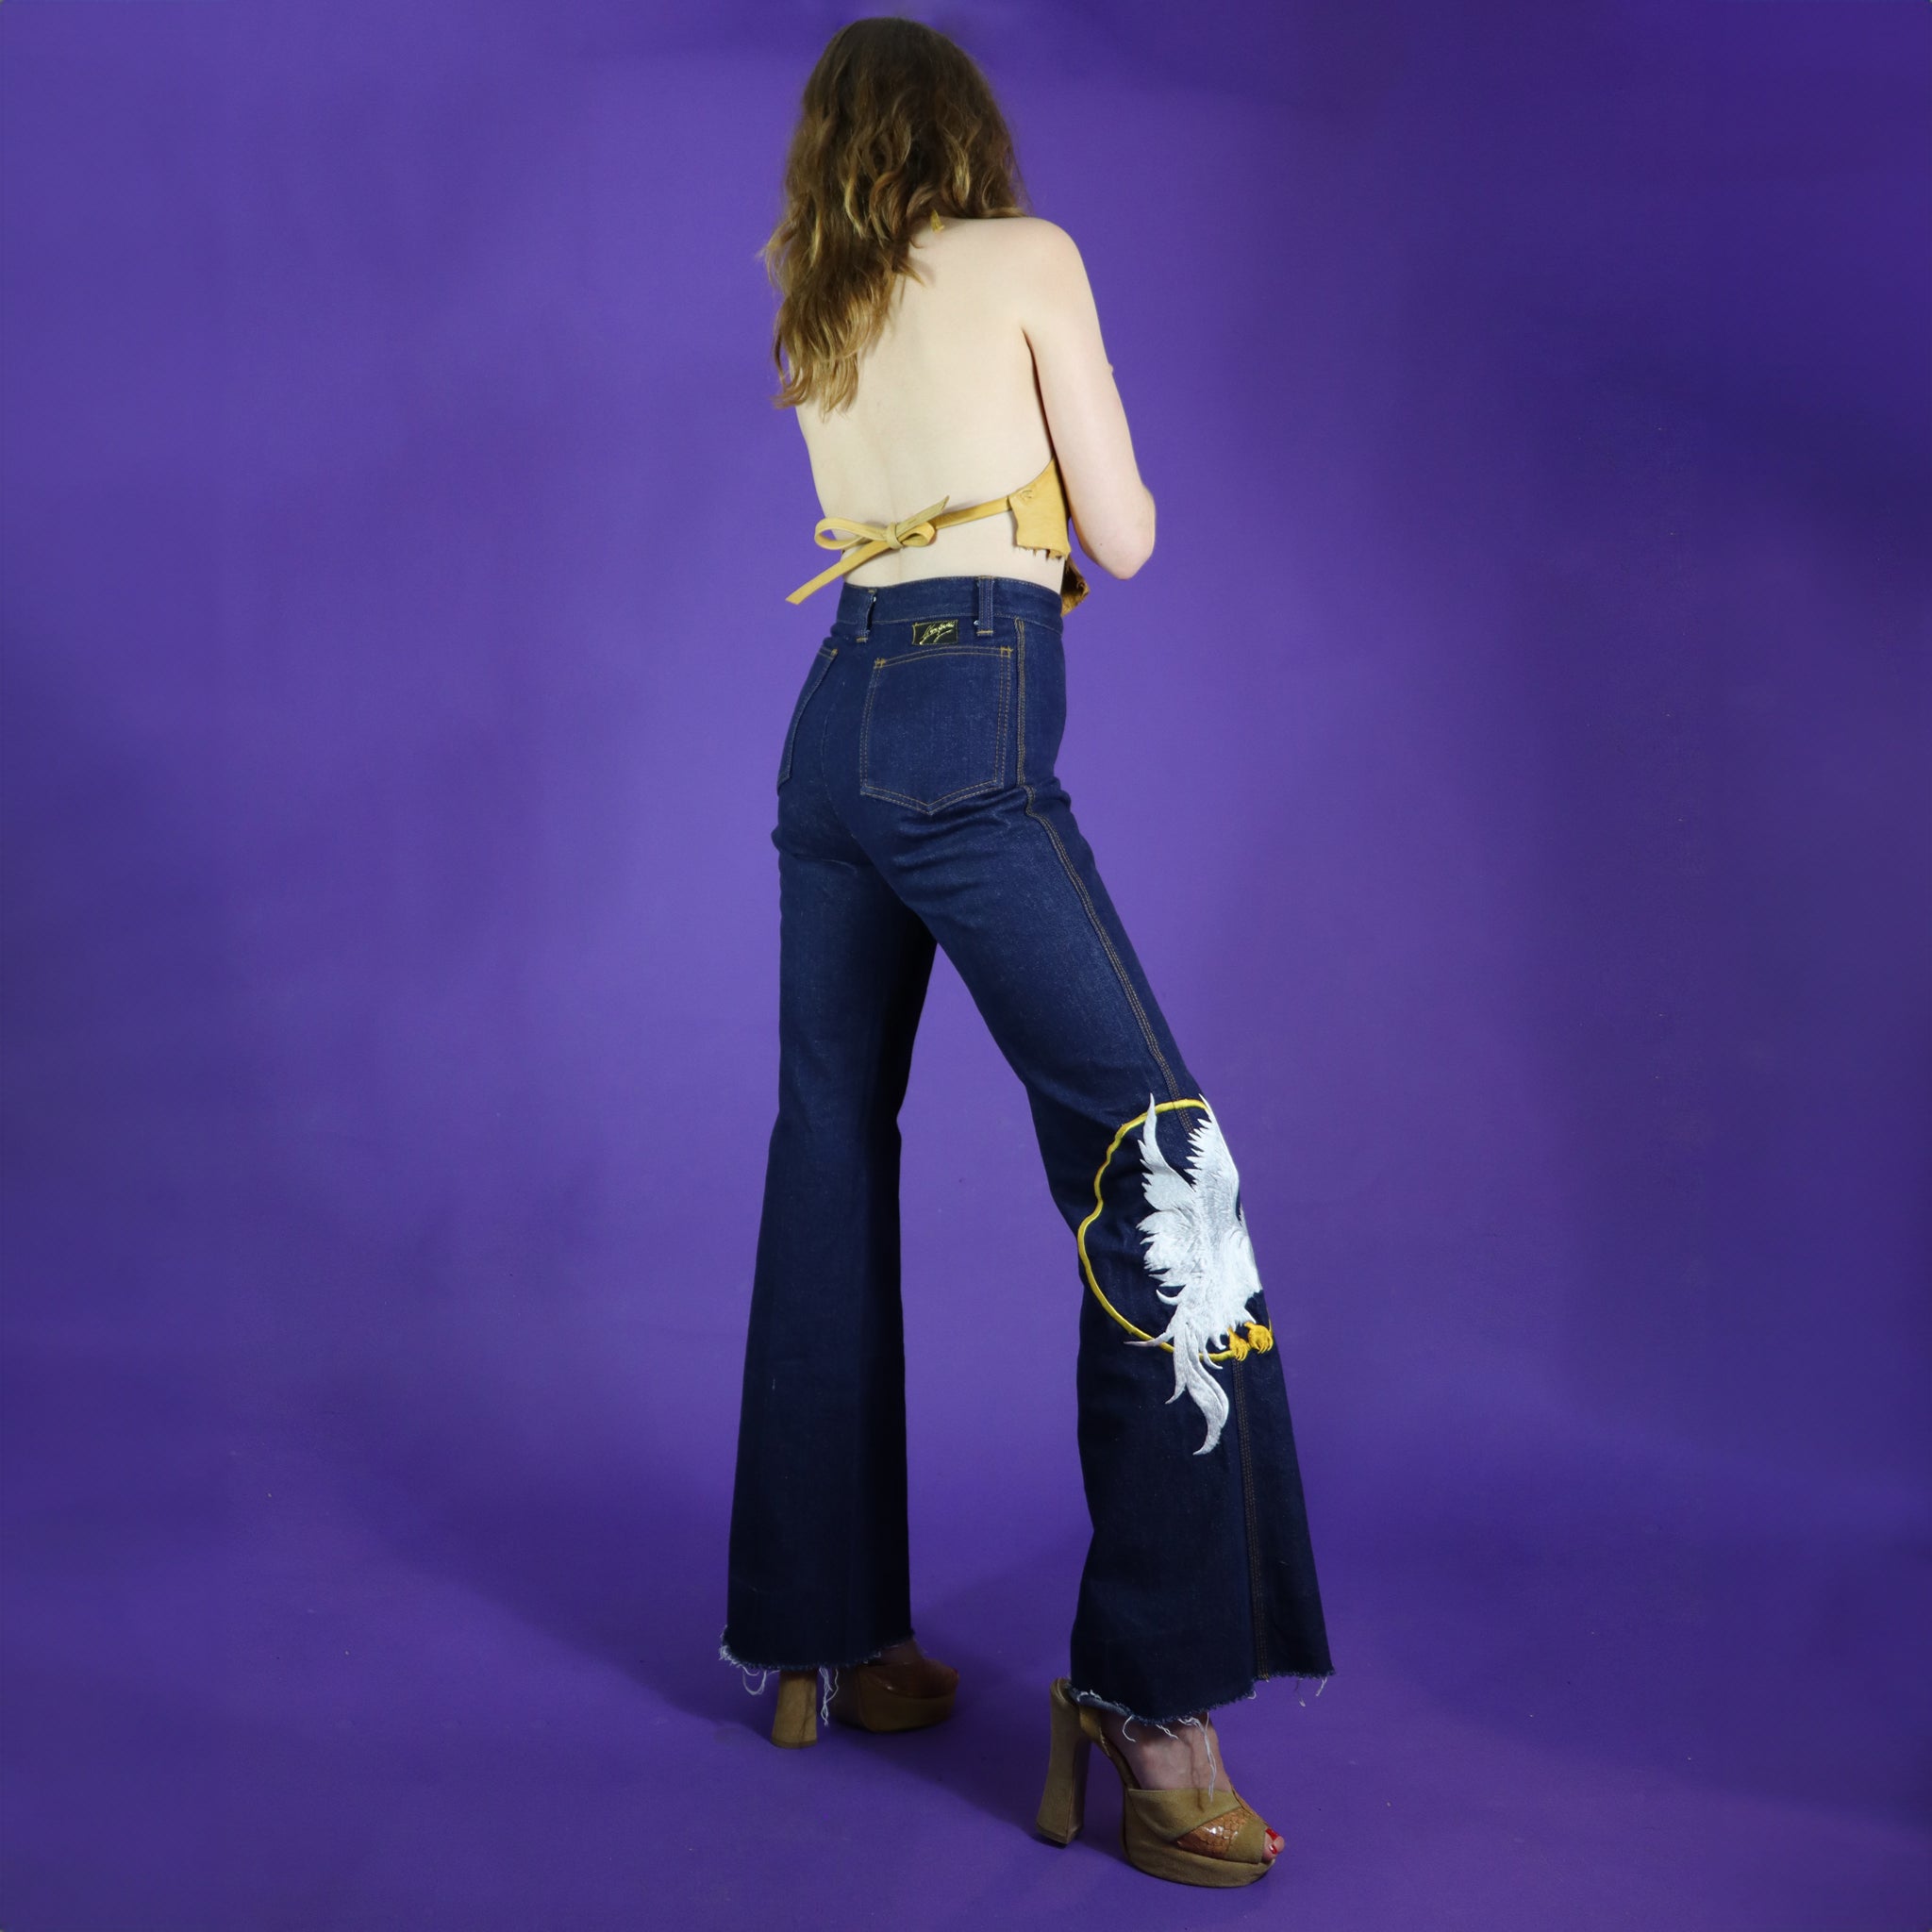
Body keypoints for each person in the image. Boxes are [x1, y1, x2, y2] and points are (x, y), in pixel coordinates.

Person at [720, 17, 1332, 1888]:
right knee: (1166, 1172)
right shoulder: (1025, 255)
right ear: (965, 132)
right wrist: (1050, 514)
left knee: (830, 1153)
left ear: (836, 148)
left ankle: (821, 1641)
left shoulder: (818, 305)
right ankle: (1153, 1705)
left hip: (829, 728)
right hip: (965, 728)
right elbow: (1123, 538)